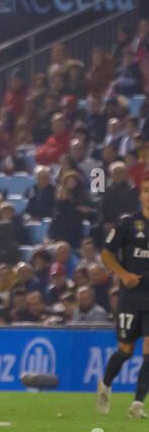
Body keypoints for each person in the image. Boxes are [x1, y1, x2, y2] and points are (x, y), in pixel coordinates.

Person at [96, 178, 149, 417]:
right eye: (147, 190)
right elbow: (106, 254)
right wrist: (123, 274)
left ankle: (138, 404)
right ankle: (105, 383)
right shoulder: (128, 223)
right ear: (141, 193)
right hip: (130, 296)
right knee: (126, 351)